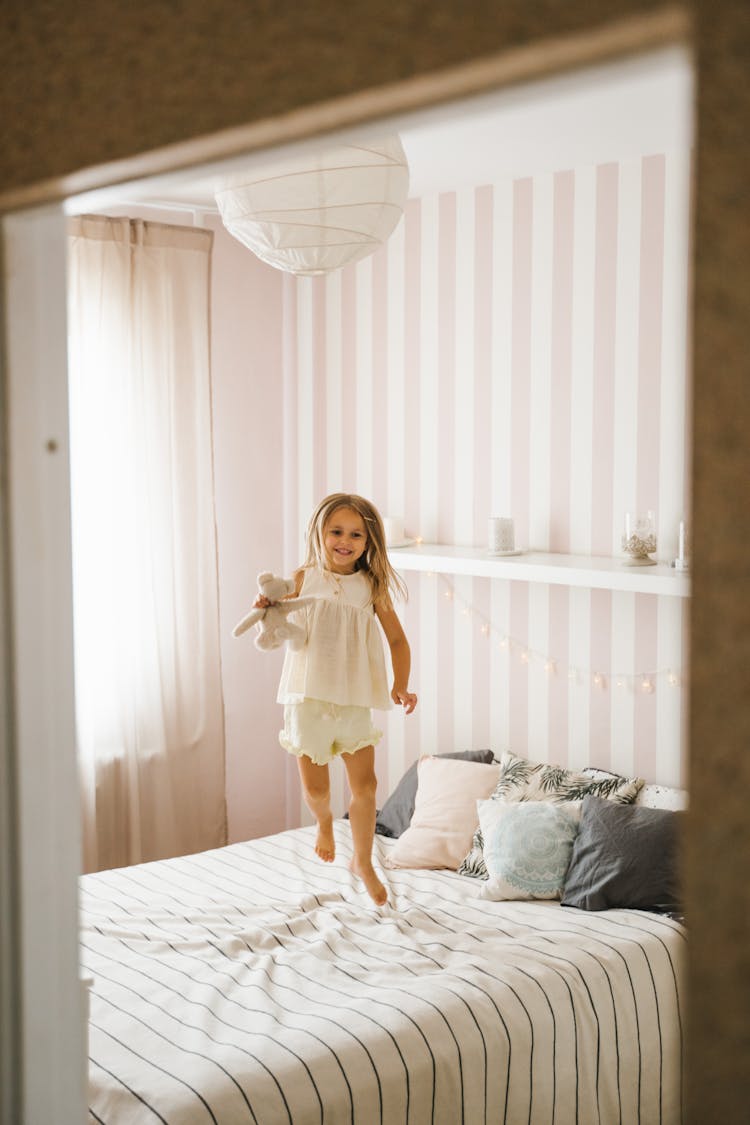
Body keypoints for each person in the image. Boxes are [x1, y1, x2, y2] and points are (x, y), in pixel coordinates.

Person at [255, 493, 417, 905]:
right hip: (308, 698)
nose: (346, 541)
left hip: (352, 699)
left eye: (357, 535)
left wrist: (401, 684)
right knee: (318, 790)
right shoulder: (304, 578)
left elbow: (397, 639)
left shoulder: (370, 587)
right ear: (321, 533)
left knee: (366, 786)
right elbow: (273, 612)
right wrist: (265, 605)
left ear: (369, 542)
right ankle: (324, 821)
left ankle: (363, 861)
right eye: (337, 532)